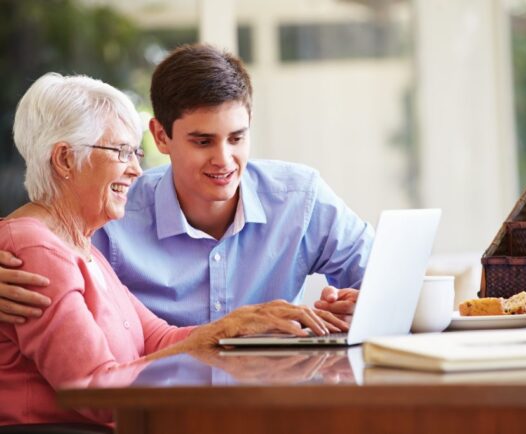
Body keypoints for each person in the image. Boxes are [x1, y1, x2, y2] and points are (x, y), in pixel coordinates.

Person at [0, 73, 346, 426]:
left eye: (135, 153)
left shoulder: (80, 245)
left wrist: (242, 324)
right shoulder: (36, 248)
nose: (136, 170)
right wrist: (221, 333)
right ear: (65, 160)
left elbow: (158, 338)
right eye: (122, 152)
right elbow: (95, 391)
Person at [0, 44, 374, 328]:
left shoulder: (300, 198)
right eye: (203, 141)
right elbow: (36, 233)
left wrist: (366, 302)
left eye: (237, 138)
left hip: (271, 404)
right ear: (161, 137)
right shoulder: (114, 211)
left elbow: (388, 278)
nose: (224, 160)